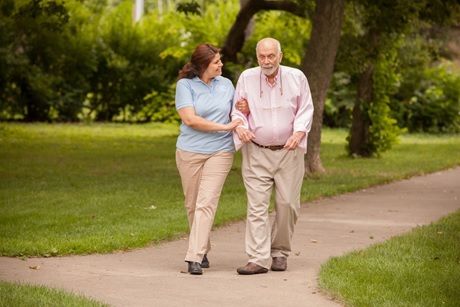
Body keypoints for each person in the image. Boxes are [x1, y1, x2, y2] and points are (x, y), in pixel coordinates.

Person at [232, 37, 314, 275]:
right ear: (257, 57)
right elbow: (238, 109)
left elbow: (306, 109)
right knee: (257, 206)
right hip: (256, 151)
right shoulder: (247, 78)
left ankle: (279, 252)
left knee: (287, 204)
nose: (266, 61)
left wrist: (298, 133)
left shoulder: (296, 77)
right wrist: (240, 126)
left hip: (289, 152)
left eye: (271, 56)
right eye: (262, 57)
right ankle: (258, 258)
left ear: (281, 55)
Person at [175, 43, 242, 275]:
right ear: (204, 65)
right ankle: (202, 248)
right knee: (192, 204)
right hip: (189, 151)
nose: (221, 64)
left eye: (220, 60)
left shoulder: (227, 85)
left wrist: (241, 112)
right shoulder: (185, 86)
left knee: (206, 202)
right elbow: (190, 120)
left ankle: (193, 257)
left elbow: (238, 110)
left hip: (220, 151)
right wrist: (224, 127)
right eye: (216, 62)